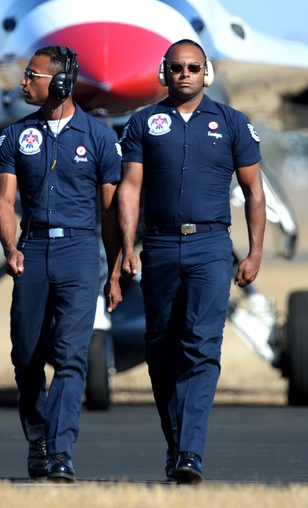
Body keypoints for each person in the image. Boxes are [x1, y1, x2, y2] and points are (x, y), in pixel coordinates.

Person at [117, 39, 266, 484]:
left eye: (194, 67)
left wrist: (255, 251)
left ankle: (190, 454)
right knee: (161, 351)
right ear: (164, 71)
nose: (185, 74)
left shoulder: (233, 124)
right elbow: (129, 188)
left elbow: (255, 192)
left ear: (207, 73)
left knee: (201, 349)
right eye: (177, 67)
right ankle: (177, 446)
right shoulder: (143, 122)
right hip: (160, 247)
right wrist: (126, 246)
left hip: (211, 249)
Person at [0, 45, 123, 483]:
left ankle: (62, 452)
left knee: (70, 357)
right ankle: (38, 438)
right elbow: (4, 201)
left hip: (80, 254)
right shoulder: (14, 137)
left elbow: (109, 211)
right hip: (33, 252)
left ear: (62, 83)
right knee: (26, 355)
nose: (23, 81)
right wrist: (11, 248)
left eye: (32, 74)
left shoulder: (100, 138)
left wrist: (116, 266)